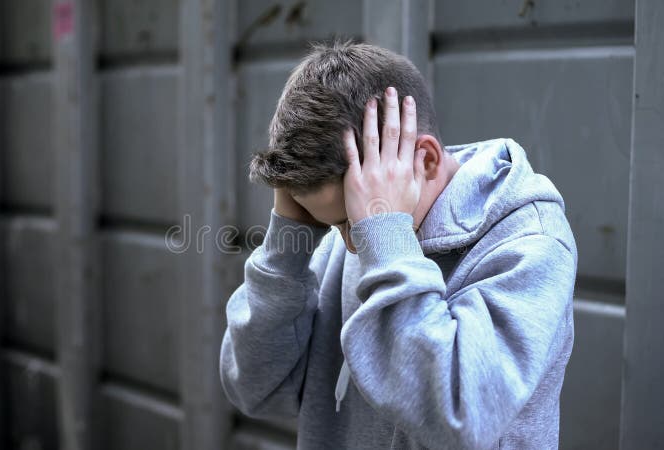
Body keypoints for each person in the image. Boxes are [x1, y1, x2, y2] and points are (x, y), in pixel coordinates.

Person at [219, 40, 577, 450]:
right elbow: (255, 388)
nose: (351, 246)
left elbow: (460, 418)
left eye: (348, 223)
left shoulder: (529, 243)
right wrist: (288, 244)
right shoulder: (352, 229)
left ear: (425, 160)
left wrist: (383, 235)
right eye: (333, 225)